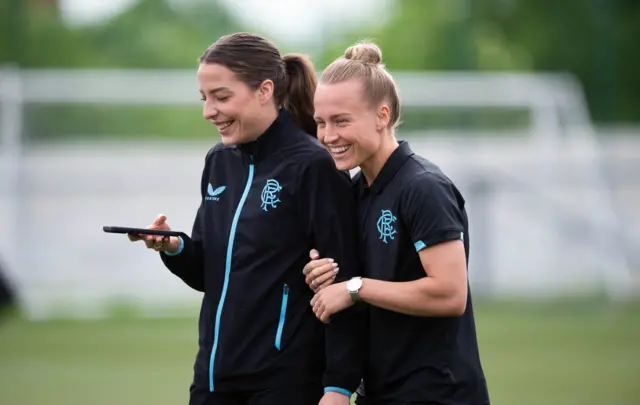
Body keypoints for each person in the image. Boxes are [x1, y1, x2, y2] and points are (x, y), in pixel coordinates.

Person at [129, 32, 365, 405]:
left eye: (222, 97)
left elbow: (346, 282)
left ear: (264, 90)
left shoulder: (314, 165)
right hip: (211, 379)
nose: (209, 111)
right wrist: (174, 248)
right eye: (204, 99)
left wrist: (338, 385)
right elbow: (209, 272)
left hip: (285, 383)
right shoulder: (218, 163)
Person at [304, 42, 491, 405]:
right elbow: (368, 281)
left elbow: (451, 294)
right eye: (321, 122)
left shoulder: (424, 187)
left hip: (438, 393)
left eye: (341, 120)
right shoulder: (356, 190)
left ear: (382, 116)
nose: (328, 136)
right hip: (379, 391)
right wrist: (328, 276)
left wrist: (354, 288)